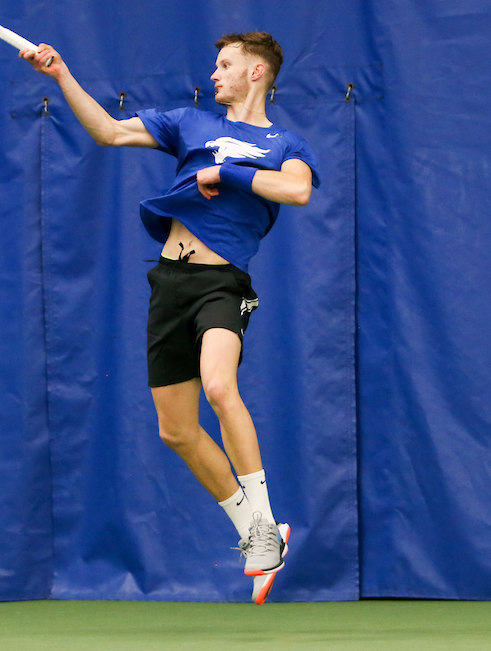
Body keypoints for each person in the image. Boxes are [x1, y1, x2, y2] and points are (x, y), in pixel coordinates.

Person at [22, 32, 319, 604]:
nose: (215, 74)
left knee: (218, 384)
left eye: (225, 65)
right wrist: (61, 75)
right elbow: (108, 132)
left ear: (256, 73)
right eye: (215, 64)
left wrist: (225, 175)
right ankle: (256, 534)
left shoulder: (285, 142)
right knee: (176, 430)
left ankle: (263, 521)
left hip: (222, 283)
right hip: (169, 283)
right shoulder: (189, 123)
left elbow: (297, 191)